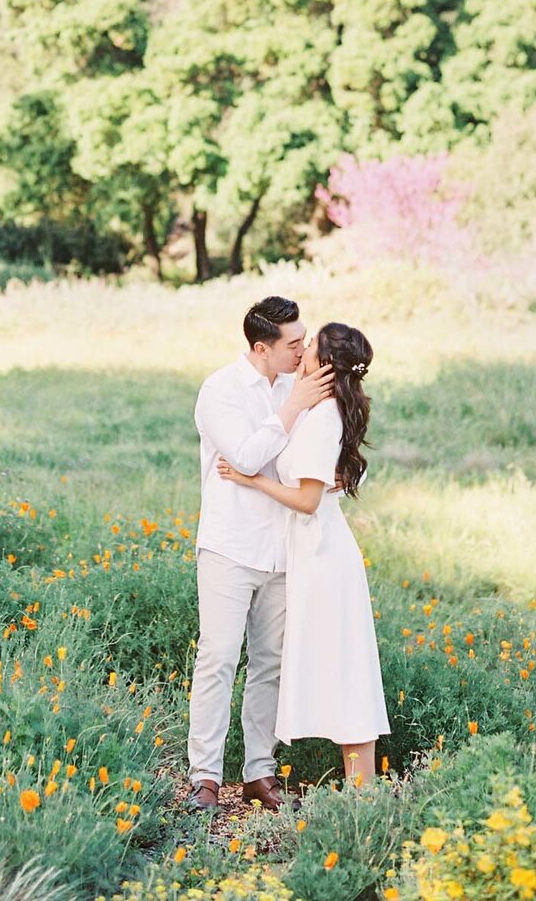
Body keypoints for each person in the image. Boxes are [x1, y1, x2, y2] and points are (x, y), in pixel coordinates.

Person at [217, 321, 389, 784]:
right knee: (339, 662)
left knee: (344, 663)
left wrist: (251, 479)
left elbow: (309, 500)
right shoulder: (321, 407)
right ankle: (360, 787)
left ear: (324, 364)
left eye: (309, 344)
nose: (302, 349)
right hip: (316, 553)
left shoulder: (323, 414)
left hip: (322, 555)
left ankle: (363, 790)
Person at [186, 296, 335, 813]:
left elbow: (323, 451)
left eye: (304, 339)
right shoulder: (220, 391)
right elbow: (246, 456)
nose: (302, 350)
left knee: (270, 663)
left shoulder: (304, 385)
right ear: (261, 347)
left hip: (285, 547)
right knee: (218, 659)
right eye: (293, 343)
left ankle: (259, 772)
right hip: (231, 545)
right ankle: (204, 774)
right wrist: (292, 407)